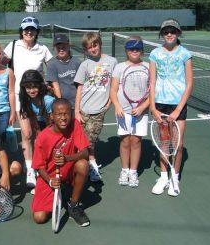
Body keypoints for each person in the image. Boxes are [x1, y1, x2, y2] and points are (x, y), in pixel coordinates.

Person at [3, 16, 53, 187]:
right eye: (26, 29)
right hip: (20, 95)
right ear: (21, 31)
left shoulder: (43, 49)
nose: (29, 32)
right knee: (27, 133)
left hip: (38, 96)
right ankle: (30, 169)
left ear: (37, 31)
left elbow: (53, 67)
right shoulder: (13, 46)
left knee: (39, 134)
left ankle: (40, 165)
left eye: (32, 29)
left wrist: (50, 84)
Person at [149, 18, 193, 197]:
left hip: (178, 104)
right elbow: (152, 82)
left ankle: (175, 177)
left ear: (178, 33)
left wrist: (177, 110)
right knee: (164, 143)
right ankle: (163, 177)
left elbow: (189, 84)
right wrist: (152, 107)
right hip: (160, 103)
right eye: (166, 31)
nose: (169, 34)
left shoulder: (185, 54)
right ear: (162, 34)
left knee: (179, 144)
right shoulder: (154, 54)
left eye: (172, 31)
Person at [32, 98, 91, 227]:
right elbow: (39, 167)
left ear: (71, 114)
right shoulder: (42, 137)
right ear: (52, 116)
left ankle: (73, 205)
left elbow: (86, 153)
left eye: (66, 113)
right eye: (59, 114)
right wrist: (50, 180)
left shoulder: (75, 125)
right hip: (49, 176)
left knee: (83, 165)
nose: (63, 117)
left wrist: (68, 158)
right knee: (39, 218)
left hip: (69, 172)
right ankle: (61, 190)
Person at [74, 32, 117, 182]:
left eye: (95, 45)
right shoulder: (85, 65)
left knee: (89, 141)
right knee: (82, 141)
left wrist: (110, 103)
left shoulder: (112, 62)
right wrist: (76, 111)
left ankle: (91, 166)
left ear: (100, 44)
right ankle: (83, 166)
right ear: (86, 50)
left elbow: (114, 85)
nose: (93, 49)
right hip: (83, 109)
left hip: (98, 111)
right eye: (89, 47)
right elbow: (79, 88)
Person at [110, 36, 149, 188]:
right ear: (126, 50)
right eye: (131, 48)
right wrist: (117, 106)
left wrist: (142, 107)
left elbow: (152, 92)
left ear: (142, 50)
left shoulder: (148, 66)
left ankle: (133, 172)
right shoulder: (119, 67)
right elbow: (113, 90)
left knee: (136, 141)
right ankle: (124, 170)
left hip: (141, 112)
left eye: (137, 48)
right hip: (123, 112)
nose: (134, 51)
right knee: (125, 141)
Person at [19, 70, 55, 188]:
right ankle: (31, 170)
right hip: (39, 122)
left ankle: (46, 168)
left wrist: (44, 136)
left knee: (46, 145)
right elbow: (33, 118)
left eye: (34, 87)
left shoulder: (48, 101)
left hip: (52, 124)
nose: (31, 90)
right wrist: (38, 132)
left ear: (40, 86)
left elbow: (52, 124)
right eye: (28, 87)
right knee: (33, 140)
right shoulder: (26, 99)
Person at [46, 34, 81, 111]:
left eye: (63, 47)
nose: (61, 50)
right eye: (58, 48)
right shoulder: (52, 64)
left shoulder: (77, 62)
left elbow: (80, 85)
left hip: (77, 104)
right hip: (63, 106)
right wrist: (61, 105)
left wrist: (78, 106)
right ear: (55, 48)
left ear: (68, 46)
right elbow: (55, 86)